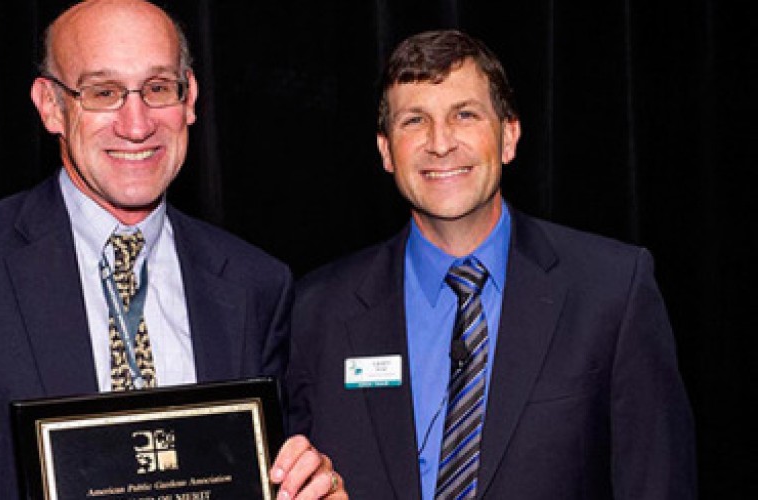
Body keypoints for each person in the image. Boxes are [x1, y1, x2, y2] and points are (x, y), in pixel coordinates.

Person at [0, 1, 345, 498]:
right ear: (51, 106)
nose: (136, 124)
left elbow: (267, 468)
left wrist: (311, 485)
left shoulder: (254, 284)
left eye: (157, 89)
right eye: (103, 92)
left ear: (189, 97)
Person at [285, 29, 695, 499]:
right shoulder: (317, 312)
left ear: (509, 136)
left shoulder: (611, 291)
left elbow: (659, 484)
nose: (440, 143)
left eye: (464, 115)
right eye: (414, 120)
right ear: (385, 152)